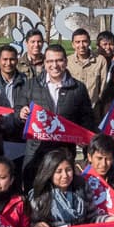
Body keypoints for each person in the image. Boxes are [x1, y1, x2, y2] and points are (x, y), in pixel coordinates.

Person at [20, 43, 95, 185]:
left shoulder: (78, 88)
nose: (54, 65)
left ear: (66, 62)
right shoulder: (31, 85)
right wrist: (21, 113)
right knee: (35, 195)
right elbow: (18, 110)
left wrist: (84, 136)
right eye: (50, 61)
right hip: (36, 151)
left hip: (64, 152)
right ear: (44, 63)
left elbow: (87, 118)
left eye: (59, 60)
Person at [0, 44, 29, 163]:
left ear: (17, 60)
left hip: (20, 135)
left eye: (12, 59)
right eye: (5, 59)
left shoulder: (27, 82)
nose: (8, 63)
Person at [67, 28, 107, 102]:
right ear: (73, 44)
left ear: (89, 42)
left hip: (93, 109)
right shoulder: (67, 62)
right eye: (77, 42)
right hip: (72, 108)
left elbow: (103, 87)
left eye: (84, 41)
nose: (81, 45)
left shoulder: (100, 60)